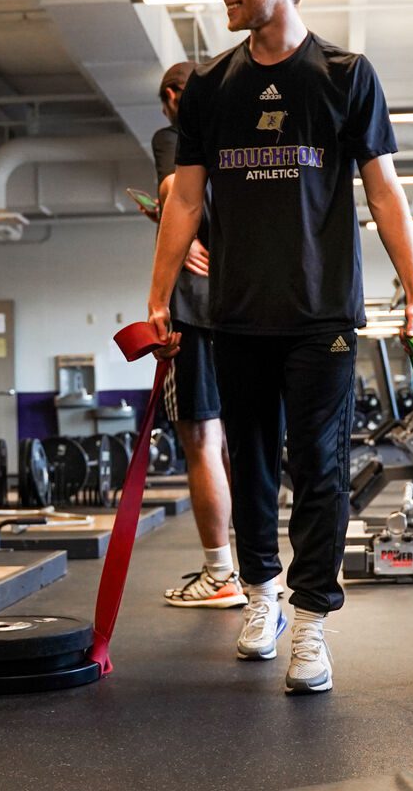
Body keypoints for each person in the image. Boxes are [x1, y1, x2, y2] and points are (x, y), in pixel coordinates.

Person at [147, 0, 413, 695]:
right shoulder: (208, 86)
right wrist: (160, 291)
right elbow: (185, 199)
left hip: (321, 316)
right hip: (235, 312)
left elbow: (384, 189)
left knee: (321, 469)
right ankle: (262, 597)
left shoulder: (344, 74)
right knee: (255, 468)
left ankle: (311, 620)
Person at [142, 61, 241, 610]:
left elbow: (174, 186)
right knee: (230, 441)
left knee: (201, 441)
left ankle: (220, 572)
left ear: (174, 96)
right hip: (241, 309)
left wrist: (174, 221)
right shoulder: (237, 136)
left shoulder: (176, 135)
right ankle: (249, 567)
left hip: (195, 314)